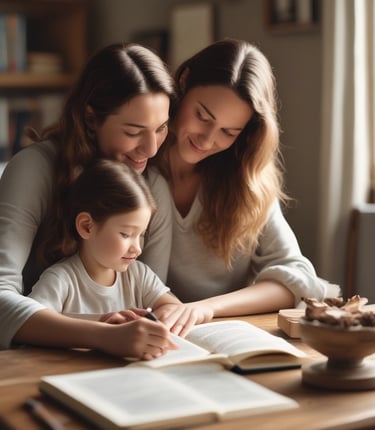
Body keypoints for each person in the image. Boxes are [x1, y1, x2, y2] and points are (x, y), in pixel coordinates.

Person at [0, 42, 179, 359]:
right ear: (91, 118)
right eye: (134, 131)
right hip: (33, 360)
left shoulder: (152, 186)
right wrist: (102, 333)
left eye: (161, 129)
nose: (151, 149)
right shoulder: (34, 169)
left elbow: (145, 303)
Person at [146, 38, 340, 326]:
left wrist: (204, 309)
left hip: (223, 331)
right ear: (184, 83)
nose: (208, 139)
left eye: (228, 131)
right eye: (202, 116)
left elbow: (298, 275)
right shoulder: (138, 165)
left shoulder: (246, 181)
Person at [28, 160, 187, 359]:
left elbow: (174, 308)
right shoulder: (60, 280)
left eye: (141, 235)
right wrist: (103, 325)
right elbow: (31, 325)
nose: (137, 248)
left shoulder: (138, 274)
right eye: (126, 234)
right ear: (87, 226)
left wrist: (152, 322)